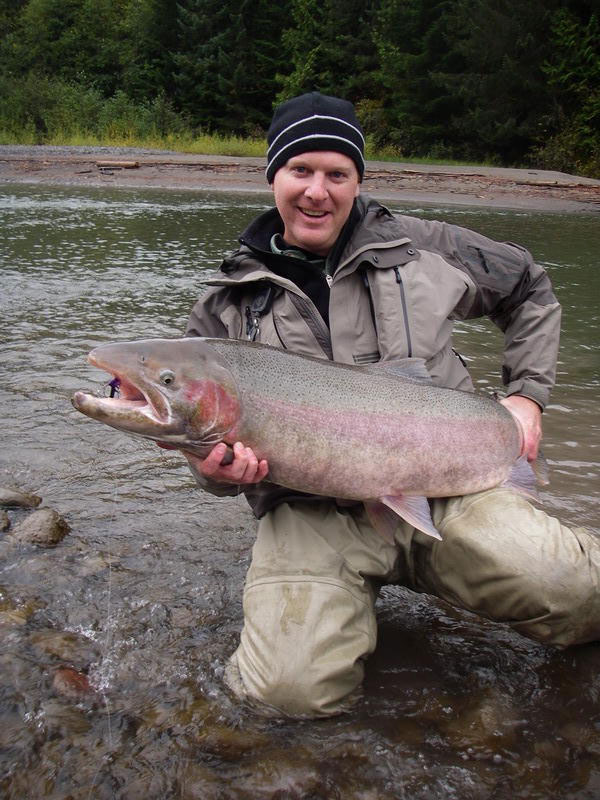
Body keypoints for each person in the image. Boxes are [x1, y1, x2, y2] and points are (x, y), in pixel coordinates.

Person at [183, 92, 600, 718]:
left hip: (449, 488)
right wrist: (210, 471)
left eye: (336, 174)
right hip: (312, 513)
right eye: (300, 170)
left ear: (357, 181)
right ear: (273, 175)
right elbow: (195, 428)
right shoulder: (224, 309)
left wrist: (526, 396)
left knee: (578, 594)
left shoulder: (426, 248)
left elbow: (530, 289)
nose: (316, 191)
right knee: (286, 697)